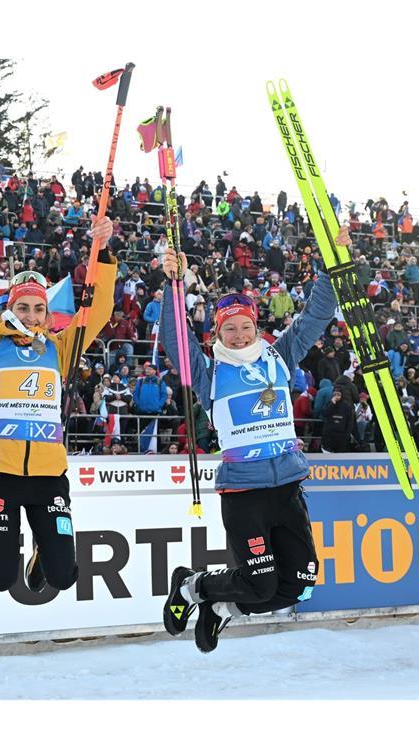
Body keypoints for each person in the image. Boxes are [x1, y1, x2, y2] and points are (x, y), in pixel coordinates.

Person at [158, 228, 341, 653]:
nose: (239, 336)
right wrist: (174, 284)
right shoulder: (209, 374)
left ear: (256, 326)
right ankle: (191, 586)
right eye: (229, 330)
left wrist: (332, 267)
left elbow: (316, 315)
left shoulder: (280, 355)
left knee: (298, 584)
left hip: (288, 486)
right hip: (245, 490)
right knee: (260, 585)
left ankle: (219, 607)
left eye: (245, 327)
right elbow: (174, 339)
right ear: (217, 334)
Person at [0, 200, 116, 596]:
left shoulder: (59, 347)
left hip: (47, 475)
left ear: (47, 312)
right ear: (9, 307)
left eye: (38, 308)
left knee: (62, 576)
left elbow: (101, 309)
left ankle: (44, 545)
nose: (31, 314)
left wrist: (104, 252)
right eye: (22, 307)